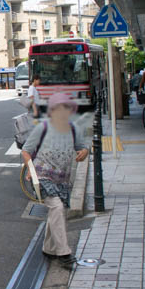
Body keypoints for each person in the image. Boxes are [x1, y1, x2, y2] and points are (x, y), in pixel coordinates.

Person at [22, 92, 89, 268]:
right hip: (42, 176)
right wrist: (31, 170)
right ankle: (64, 253)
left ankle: (49, 248)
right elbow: (26, 150)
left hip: (62, 180)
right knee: (57, 207)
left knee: (57, 211)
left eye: (66, 108)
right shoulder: (43, 128)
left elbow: (82, 149)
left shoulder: (74, 129)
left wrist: (84, 153)